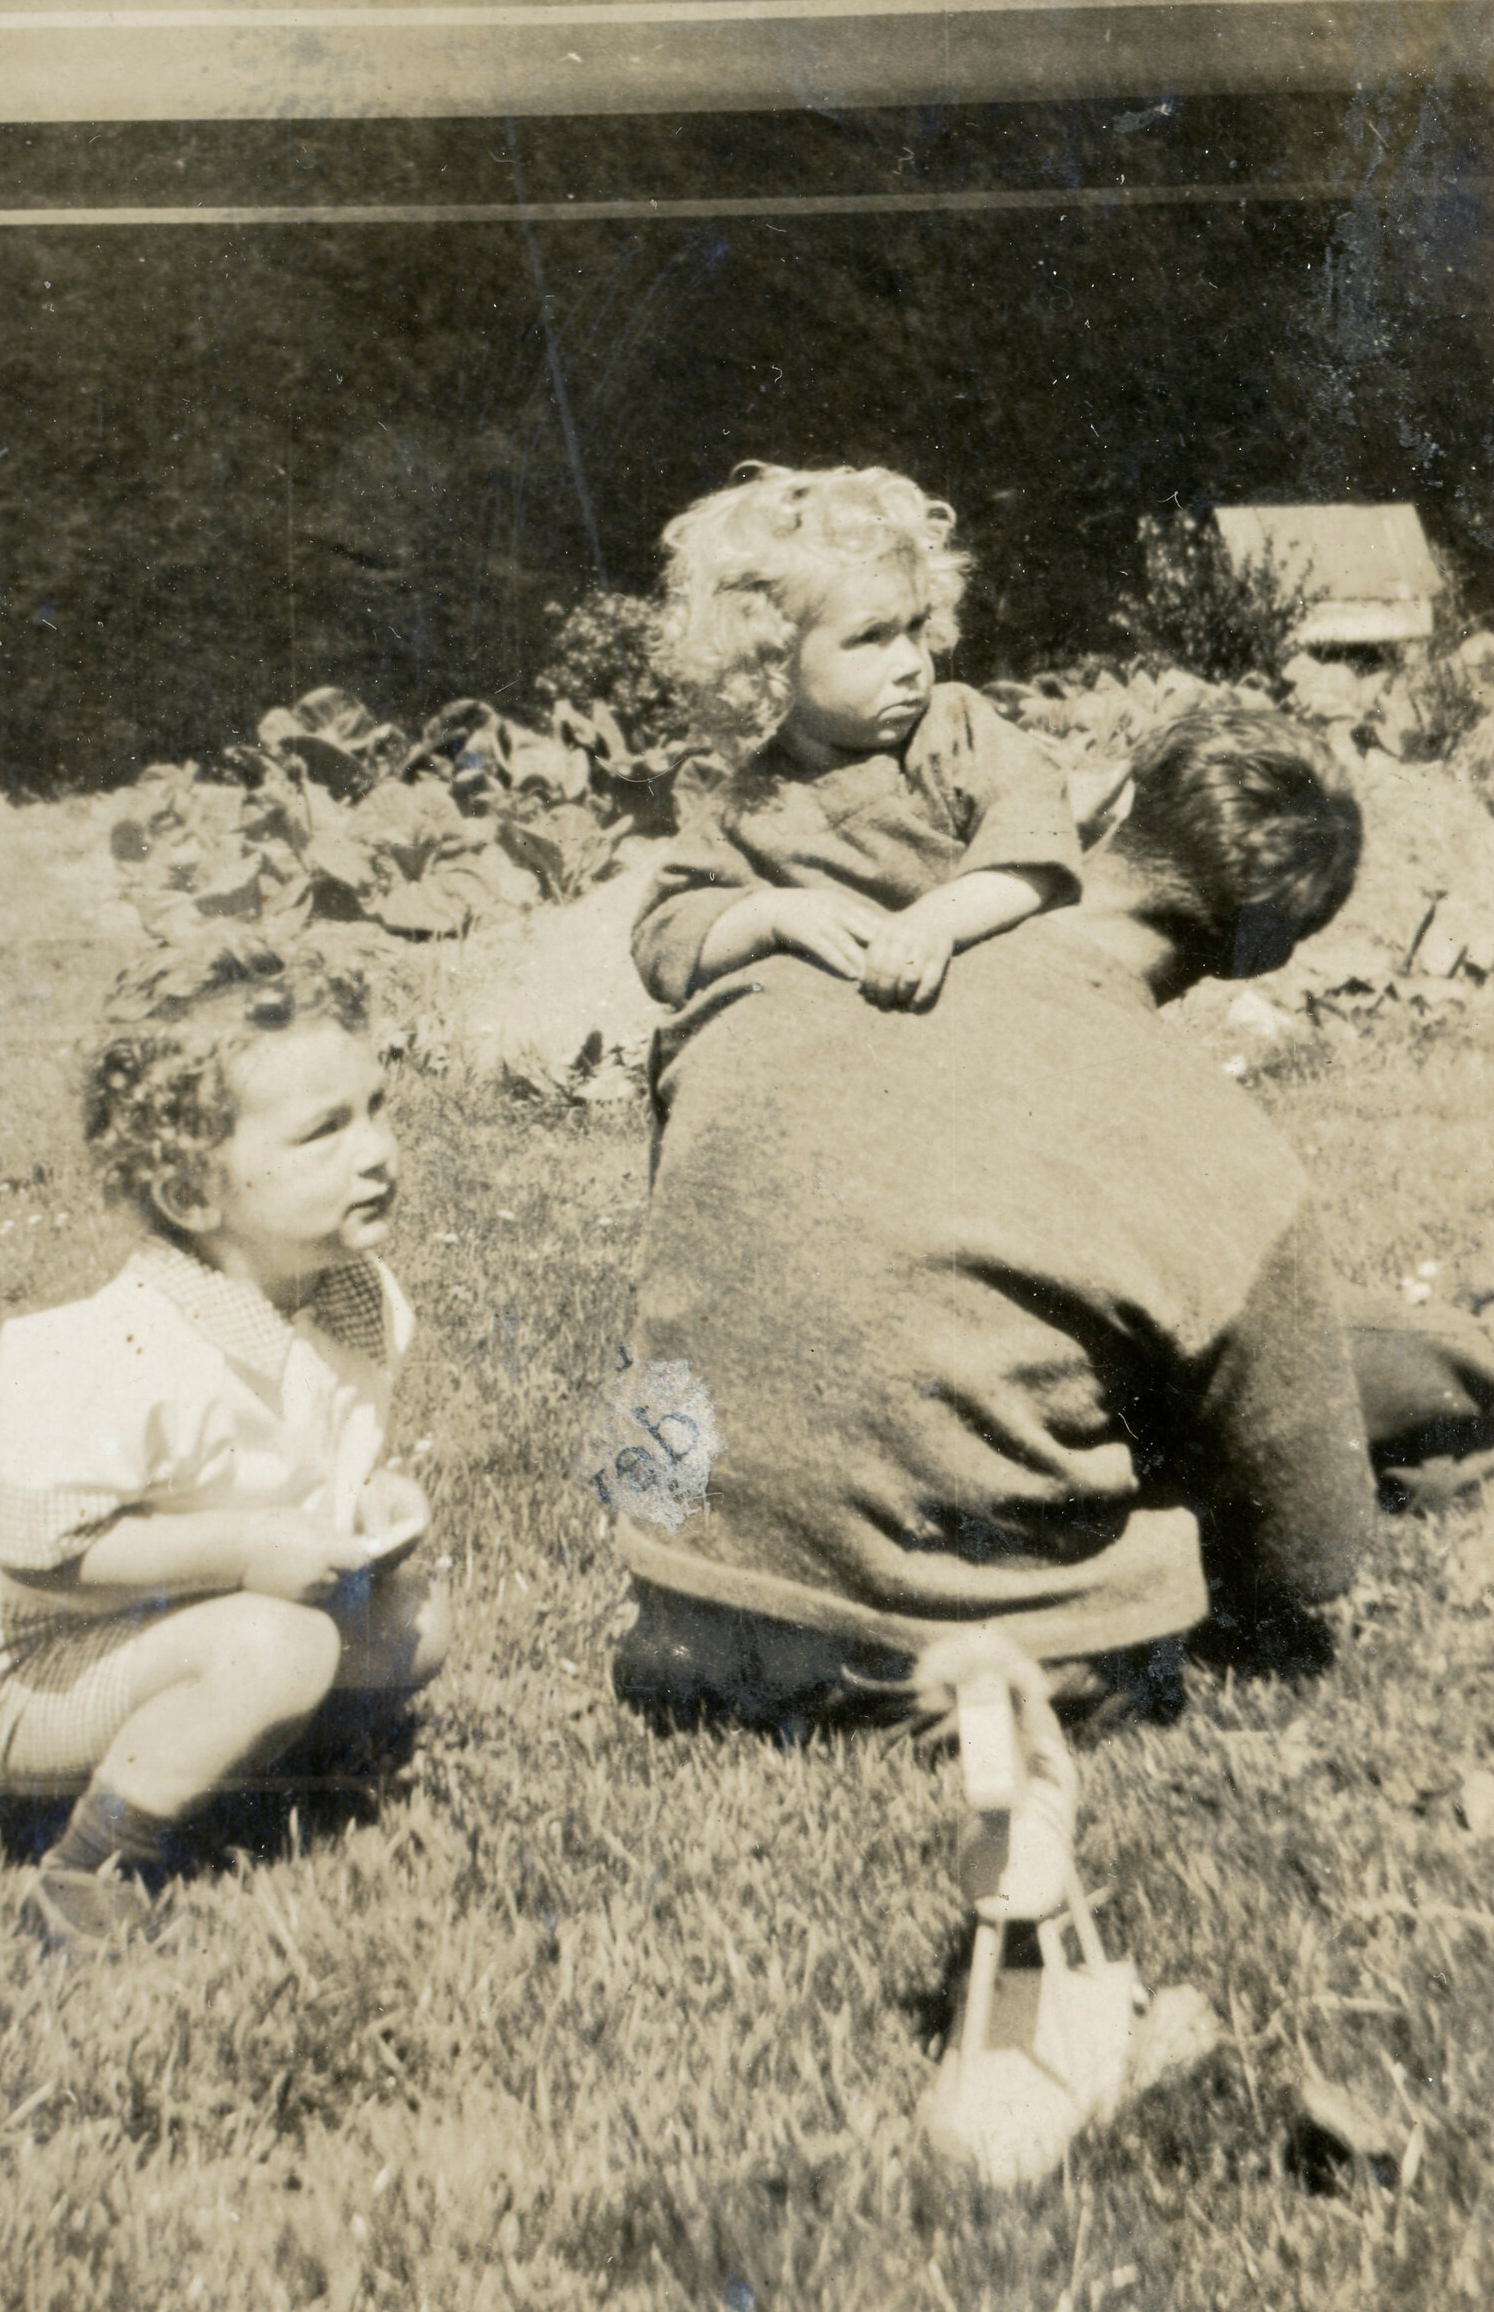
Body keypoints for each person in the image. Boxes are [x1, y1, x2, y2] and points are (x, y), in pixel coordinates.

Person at [613, 702, 1494, 1727]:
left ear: (1111, 803)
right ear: (1261, 955)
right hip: (958, 1668)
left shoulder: (773, 978)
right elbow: (1309, 1558)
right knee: (1224, 1398)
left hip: (678, 1621)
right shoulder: (1219, 1152)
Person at [0, 944, 449, 1944]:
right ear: (194, 1198)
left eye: (375, 1109)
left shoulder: (351, 1299)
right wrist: (246, 1552)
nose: (376, 1151)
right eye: (322, 1133)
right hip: (49, 1671)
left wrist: (371, 1497)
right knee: (279, 1643)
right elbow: (44, 1560)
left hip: (198, 1626)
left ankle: (280, 1779)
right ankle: (86, 1870)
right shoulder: (118, 1352)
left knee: (416, 1619)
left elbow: (317, 1454)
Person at [634, 463, 1083, 1018]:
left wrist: (933, 922)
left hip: (999, 995)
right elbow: (665, 938)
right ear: (773, 659)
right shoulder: (748, 808)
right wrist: (772, 915)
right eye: (871, 637)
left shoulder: (957, 727)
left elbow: (1036, 851)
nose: (911, 664)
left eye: (916, 628)